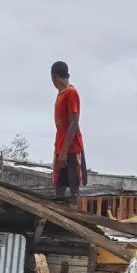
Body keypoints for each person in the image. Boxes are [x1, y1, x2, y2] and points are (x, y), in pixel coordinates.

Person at [50, 60, 86, 198]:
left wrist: (65, 151)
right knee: (59, 185)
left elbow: (74, 123)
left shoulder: (71, 93)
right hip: (60, 147)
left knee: (73, 188)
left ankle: (75, 215)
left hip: (72, 148)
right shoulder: (61, 95)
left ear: (55, 77)